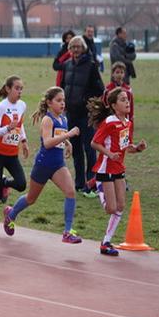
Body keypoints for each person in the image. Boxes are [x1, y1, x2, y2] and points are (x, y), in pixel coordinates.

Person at [3, 87, 82, 244]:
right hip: (43, 164)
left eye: (63, 100)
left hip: (58, 164)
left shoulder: (63, 118)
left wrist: (67, 144)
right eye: (58, 101)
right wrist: (69, 135)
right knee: (31, 198)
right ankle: (11, 214)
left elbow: (58, 135)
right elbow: (47, 143)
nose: (62, 104)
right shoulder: (47, 120)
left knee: (70, 191)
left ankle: (67, 232)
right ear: (49, 103)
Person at [88, 87, 147, 256]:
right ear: (114, 105)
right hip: (105, 167)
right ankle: (97, 186)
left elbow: (126, 147)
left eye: (127, 99)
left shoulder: (127, 123)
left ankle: (106, 242)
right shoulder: (109, 122)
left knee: (120, 206)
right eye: (122, 100)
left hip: (119, 168)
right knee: (110, 208)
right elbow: (94, 143)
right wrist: (108, 154)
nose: (127, 102)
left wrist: (138, 148)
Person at [0, 75, 29, 233]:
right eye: (17, 88)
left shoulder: (22, 105)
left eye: (21, 89)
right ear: (8, 89)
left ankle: (5, 183)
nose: (19, 91)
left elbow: (20, 125)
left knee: (21, 184)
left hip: (12, 154)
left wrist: (24, 141)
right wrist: (8, 128)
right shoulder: (2, 107)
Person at [61, 35, 104, 197]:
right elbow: (62, 86)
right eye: (73, 47)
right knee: (76, 150)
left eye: (78, 47)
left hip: (85, 115)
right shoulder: (67, 65)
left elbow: (100, 89)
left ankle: (90, 182)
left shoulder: (91, 66)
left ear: (83, 48)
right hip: (71, 114)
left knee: (89, 148)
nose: (76, 50)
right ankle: (79, 183)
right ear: (70, 49)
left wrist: (87, 100)